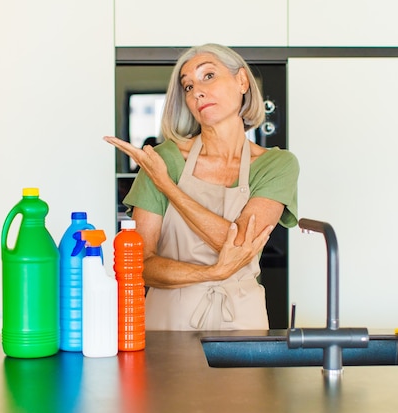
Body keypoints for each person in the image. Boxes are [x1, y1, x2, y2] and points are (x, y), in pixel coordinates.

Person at [104, 43, 299, 330]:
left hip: (242, 320)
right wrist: (213, 272)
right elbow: (140, 265)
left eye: (208, 76)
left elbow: (241, 243)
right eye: (187, 86)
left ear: (242, 81)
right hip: (169, 323)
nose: (197, 91)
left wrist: (168, 186)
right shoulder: (163, 160)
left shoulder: (276, 164)